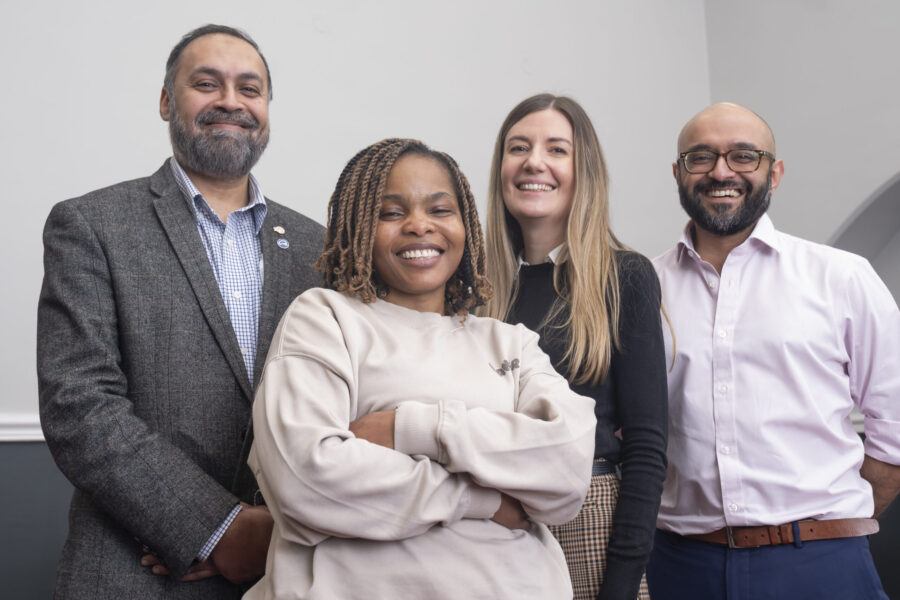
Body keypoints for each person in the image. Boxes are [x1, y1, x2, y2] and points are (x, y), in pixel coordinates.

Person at [36, 24, 324, 598]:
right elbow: (80, 405)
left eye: (250, 89)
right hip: (134, 571)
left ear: (267, 109)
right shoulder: (92, 225)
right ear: (167, 101)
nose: (231, 102)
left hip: (287, 569)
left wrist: (273, 532)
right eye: (206, 83)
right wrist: (219, 529)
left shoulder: (319, 247)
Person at [244, 138, 597, 599]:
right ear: (357, 228)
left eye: (440, 210)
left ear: (466, 224)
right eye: (390, 213)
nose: (418, 226)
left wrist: (410, 429)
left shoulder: (508, 341)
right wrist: (482, 498)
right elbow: (304, 480)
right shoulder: (324, 319)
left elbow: (567, 468)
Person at [647, 102, 900, 600]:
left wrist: (833, 528)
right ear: (678, 173)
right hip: (679, 566)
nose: (722, 171)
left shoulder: (842, 278)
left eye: (744, 155)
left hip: (822, 563)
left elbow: (895, 432)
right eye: (701, 157)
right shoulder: (641, 289)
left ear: (774, 172)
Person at [481, 94, 669, 600]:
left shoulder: (623, 277)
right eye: (518, 147)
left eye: (556, 149)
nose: (533, 162)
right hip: (482, 522)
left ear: (583, 169)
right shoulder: (473, 288)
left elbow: (649, 446)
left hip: (589, 526)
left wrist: (624, 581)